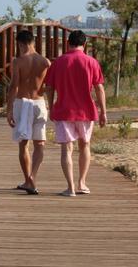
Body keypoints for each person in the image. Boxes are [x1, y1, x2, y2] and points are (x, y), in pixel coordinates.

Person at [44, 30, 107, 197]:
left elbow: (49, 88)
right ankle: (82, 183)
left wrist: (50, 106)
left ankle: (70, 187)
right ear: (84, 44)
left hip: (64, 110)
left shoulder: (58, 63)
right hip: (86, 111)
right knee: (85, 145)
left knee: (66, 148)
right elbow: (99, 88)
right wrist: (103, 112)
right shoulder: (91, 62)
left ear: (68, 43)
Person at [6, 29, 51, 195]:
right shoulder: (45, 62)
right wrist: (51, 105)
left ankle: (28, 180)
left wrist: (9, 109)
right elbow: (48, 86)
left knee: (24, 144)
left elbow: (14, 86)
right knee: (40, 144)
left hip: (22, 103)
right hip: (39, 103)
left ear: (21, 44)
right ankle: (33, 176)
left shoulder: (18, 61)